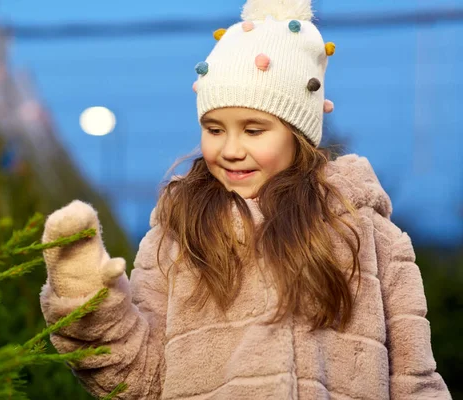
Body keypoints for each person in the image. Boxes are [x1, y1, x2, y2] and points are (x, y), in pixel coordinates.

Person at [39, 0, 451, 398]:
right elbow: (140, 378)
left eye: (254, 130)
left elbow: (416, 381)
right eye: (215, 129)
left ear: (299, 134)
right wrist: (86, 299)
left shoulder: (369, 235)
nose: (231, 149)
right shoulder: (179, 236)